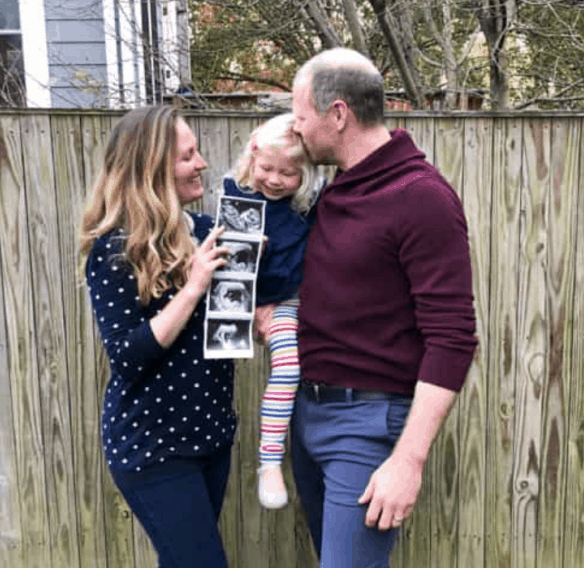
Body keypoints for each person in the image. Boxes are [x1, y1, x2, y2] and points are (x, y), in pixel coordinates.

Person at [276, 48, 478, 567]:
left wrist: (408, 460)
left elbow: (453, 337)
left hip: (366, 425)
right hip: (308, 414)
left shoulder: (421, 197)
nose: (295, 127)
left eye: (300, 115)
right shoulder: (335, 189)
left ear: (338, 114)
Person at [79, 106, 234, 568]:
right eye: (187, 156)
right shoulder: (115, 250)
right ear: (152, 169)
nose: (201, 163)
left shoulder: (204, 232)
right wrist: (194, 286)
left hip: (212, 436)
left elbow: (227, 325)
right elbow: (127, 357)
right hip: (154, 447)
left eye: (196, 152)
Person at [221, 113, 323, 509]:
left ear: (305, 175)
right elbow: (225, 268)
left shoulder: (308, 205)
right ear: (252, 157)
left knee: (290, 367)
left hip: (289, 302)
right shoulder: (238, 197)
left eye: (288, 173)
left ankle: (270, 461)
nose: (275, 180)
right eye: (267, 168)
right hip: (238, 300)